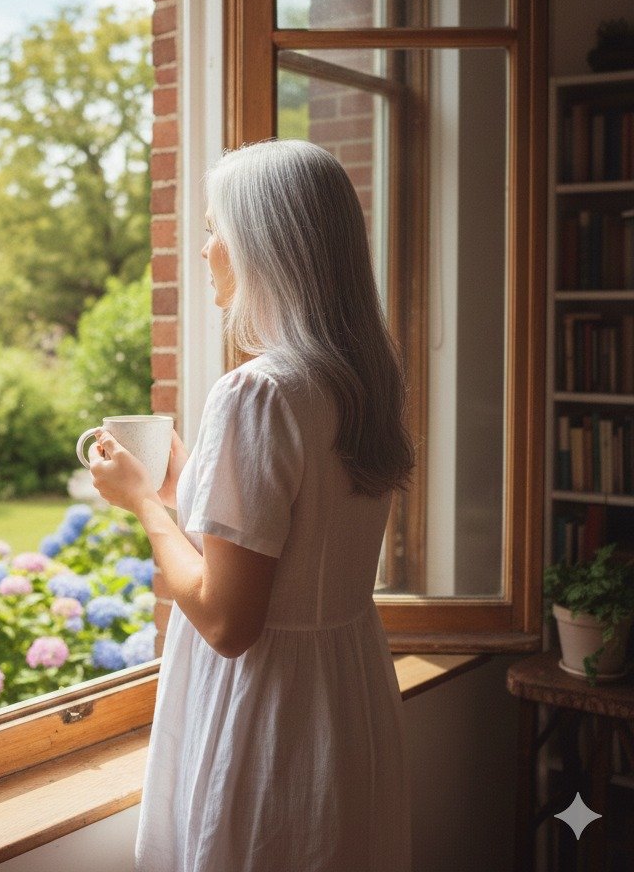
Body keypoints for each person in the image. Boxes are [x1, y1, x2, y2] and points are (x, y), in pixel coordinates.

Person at [89, 140, 415, 872]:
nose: (205, 250)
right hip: (348, 697)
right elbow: (299, 537)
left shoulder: (258, 392)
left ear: (265, 247)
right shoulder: (361, 379)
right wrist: (185, 482)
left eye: (216, 230)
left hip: (271, 718)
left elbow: (228, 621)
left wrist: (146, 505)